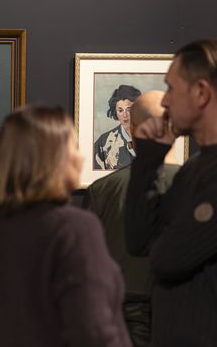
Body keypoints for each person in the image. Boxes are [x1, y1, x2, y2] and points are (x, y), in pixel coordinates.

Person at [0, 106, 131, 346]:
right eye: (73, 147)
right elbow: (94, 331)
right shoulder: (74, 228)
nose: (81, 157)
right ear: (52, 158)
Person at [125, 39, 217, 346]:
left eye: (171, 88)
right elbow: (139, 241)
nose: (164, 101)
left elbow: (166, 259)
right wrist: (148, 159)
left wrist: (163, 242)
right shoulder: (193, 168)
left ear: (201, 93)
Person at [83, 90, 180, 347]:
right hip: (183, 311)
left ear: (134, 131)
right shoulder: (201, 185)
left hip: (121, 316)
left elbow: (88, 265)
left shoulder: (102, 190)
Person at [94, 85, 141, 170]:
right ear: (115, 112)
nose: (125, 115)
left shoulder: (153, 137)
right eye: (120, 110)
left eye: (129, 109)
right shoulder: (103, 142)